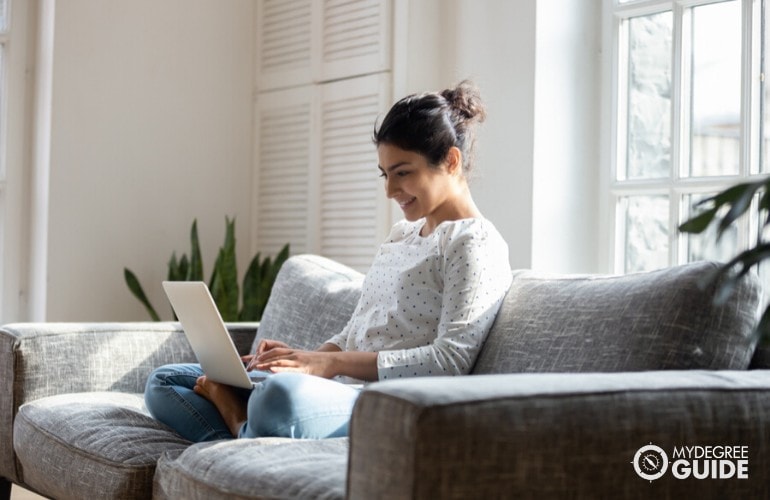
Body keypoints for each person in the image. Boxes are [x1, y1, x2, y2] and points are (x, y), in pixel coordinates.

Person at [144, 80, 513, 442]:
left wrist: (328, 365)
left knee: (277, 399)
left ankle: (238, 420)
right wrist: (303, 359)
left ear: (450, 160)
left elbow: (448, 363)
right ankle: (243, 435)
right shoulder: (402, 235)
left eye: (402, 173)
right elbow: (355, 332)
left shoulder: (474, 243)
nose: (389, 191)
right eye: (385, 175)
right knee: (165, 381)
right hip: (337, 391)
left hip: (388, 401)